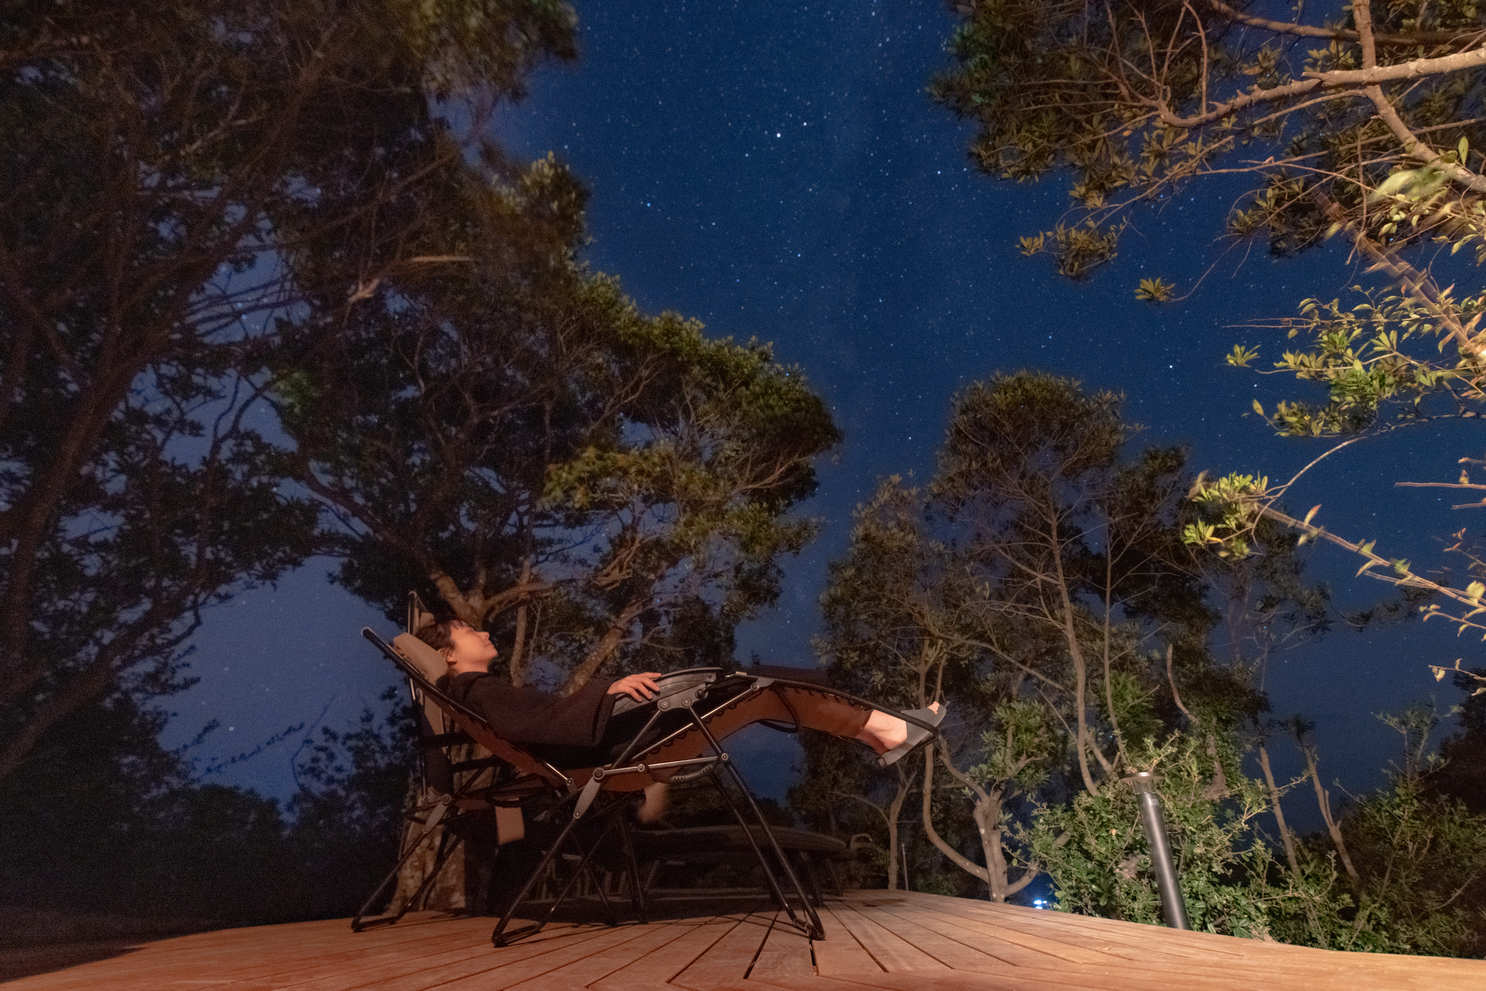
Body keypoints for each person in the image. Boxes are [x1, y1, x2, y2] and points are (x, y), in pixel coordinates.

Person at [414, 618, 943, 820]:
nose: (484, 633)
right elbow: (546, 725)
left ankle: (882, 730)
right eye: (469, 631)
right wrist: (608, 689)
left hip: (613, 751)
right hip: (615, 759)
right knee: (758, 687)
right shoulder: (477, 690)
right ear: (450, 654)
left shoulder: (476, 694)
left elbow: (546, 722)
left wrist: (607, 694)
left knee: (752, 685)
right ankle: (888, 729)